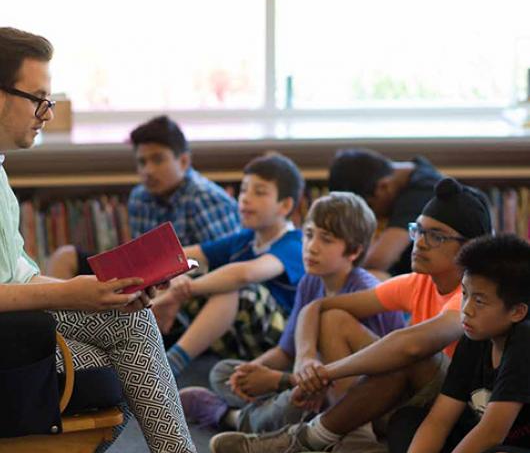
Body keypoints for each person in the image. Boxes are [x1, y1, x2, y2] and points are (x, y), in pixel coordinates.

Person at [0, 27, 203, 453]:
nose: (47, 113)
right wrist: (72, 292)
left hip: (16, 327)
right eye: (39, 98)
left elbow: (17, 275)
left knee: (127, 317)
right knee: (122, 349)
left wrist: (103, 291)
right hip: (8, 335)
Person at [209, 177, 492, 453]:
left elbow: (413, 346)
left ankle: (303, 436)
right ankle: (354, 441)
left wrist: (322, 374)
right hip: (399, 404)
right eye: (418, 230)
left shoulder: (471, 295)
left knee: (407, 354)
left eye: (436, 236)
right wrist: (306, 360)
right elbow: (317, 308)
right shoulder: (416, 283)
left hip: (461, 414)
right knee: (334, 320)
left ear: (470, 248)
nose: (419, 242)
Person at [178, 192, 405, 435]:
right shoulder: (310, 282)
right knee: (224, 373)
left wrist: (278, 380)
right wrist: (253, 370)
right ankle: (272, 420)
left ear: (353, 251)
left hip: (352, 398)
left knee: (292, 404)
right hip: (308, 381)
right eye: (308, 235)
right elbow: (286, 351)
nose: (311, 247)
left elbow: (364, 381)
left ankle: (230, 417)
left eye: (326, 240)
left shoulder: (365, 291)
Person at [151, 153, 306, 378]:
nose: (245, 198)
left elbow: (247, 273)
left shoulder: (294, 243)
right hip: (241, 340)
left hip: (282, 339)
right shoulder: (244, 239)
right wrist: (174, 280)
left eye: (259, 192)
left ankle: (171, 363)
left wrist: (180, 293)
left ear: (285, 205)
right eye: (243, 190)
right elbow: (184, 255)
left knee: (232, 285)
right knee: (185, 271)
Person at [395, 234, 530, 453]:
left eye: (479, 301)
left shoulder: (525, 340)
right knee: (406, 423)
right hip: (486, 450)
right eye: (465, 294)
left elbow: (492, 432)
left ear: (517, 312)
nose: (466, 310)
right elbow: (441, 418)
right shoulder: (476, 335)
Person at [46, 115, 240, 279]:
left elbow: (228, 265)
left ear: (183, 161)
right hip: (149, 277)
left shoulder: (206, 198)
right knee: (65, 258)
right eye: (142, 162)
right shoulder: (140, 197)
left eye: (158, 160)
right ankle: (55, 323)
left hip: (190, 284)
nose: (148, 170)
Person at [329, 148, 442, 278]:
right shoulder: (416, 171)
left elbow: (378, 260)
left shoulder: (423, 192)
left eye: (370, 208)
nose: (374, 217)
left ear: (384, 186)